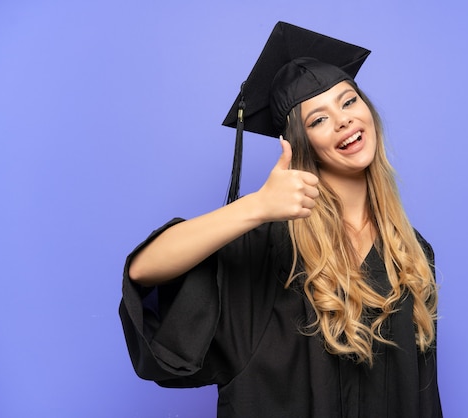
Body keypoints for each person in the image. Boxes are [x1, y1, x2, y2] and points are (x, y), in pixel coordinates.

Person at [119, 21, 442, 418]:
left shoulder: (409, 251)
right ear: (302, 143)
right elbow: (143, 270)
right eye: (318, 119)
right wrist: (255, 207)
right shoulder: (270, 245)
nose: (342, 120)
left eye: (348, 101)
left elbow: (423, 397)